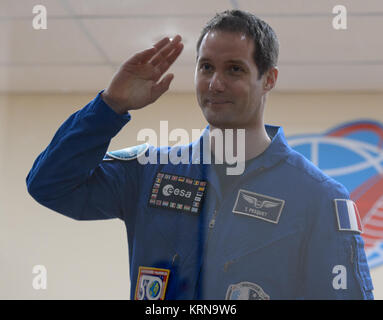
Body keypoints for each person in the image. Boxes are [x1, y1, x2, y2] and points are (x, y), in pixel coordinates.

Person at [26, 10, 374, 300]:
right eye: (206, 67)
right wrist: (109, 107)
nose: (215, 83)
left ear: (268, 79)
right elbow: (49, 185)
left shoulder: (318, 198)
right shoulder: (150, 172)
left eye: (234, 69)